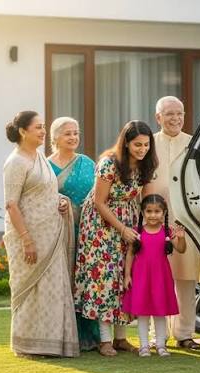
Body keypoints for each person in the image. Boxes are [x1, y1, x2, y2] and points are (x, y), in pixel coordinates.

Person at [74, 120, 158, 356]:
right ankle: (104, 341)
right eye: (137, 145)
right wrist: (122, 229)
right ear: (126, 143)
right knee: (105, 277)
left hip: (129, 220)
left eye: (146, 145)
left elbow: (147, 201)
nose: (142, 150)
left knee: (126, 275)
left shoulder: (147, 164)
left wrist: (150, 229)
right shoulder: (109, 164)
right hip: (101, 224)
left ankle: (121, 338)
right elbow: (99, 202)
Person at [3, 110, 79, 357]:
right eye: (38, 127)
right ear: (23, 131)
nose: (43, 131)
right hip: (29, 238)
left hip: (51, 235)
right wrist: (26, 240)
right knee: (31, 290)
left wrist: (61, 202)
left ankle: (52, 344)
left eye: (44, 126)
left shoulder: (39, 158)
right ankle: (28, 345)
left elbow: (44, 192)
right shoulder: (16, 162)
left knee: (51, 290)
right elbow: (12, 204)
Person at [145, 96, 200, 350]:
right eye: (169, 114)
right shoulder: (148, 144)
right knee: (154, 276)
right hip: (152, 221)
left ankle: (185, 333)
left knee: (186, 277)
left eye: (179, 113)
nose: (175, 118)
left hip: (185, 220)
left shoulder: (193, 144)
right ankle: (157, 336)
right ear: (158, 117)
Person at [48, 117, 98, 351]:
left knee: (86, 280)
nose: (73, 137)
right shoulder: (45, 166)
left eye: (76, 133)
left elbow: (98, 195)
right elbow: (39, 198)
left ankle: (92, 335)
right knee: (64, 280)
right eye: (67, 133)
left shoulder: (87, 163)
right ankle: (65, 334)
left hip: (88, 231)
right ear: (55, 137)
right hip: (59, 232)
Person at [122, 194, 186, 357]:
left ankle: (160, 345)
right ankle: (144, 345)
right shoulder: (137, 232)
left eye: (157, 211)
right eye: (149, 211)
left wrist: (181, 239)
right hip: (141, 277)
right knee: (142, 312)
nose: (153, 215)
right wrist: (127, 275)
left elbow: (181, 249)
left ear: (163, 213)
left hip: (160, 277)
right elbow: (130, 254)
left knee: (159, 311)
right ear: (143, 212)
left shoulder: (167, 231)